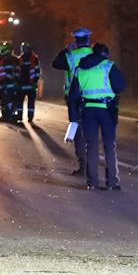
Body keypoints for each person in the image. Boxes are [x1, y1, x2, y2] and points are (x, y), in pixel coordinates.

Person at [73, 42, 127, 190]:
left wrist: (73, 116)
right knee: (109, 146)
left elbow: (73, 95)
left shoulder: (80, 68)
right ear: (104, 53)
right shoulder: (108, 65)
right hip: (107, 110)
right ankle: (111, 182)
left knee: (91, 146)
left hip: (88, 110)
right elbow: (120, 86)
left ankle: (92, 182)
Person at [53, 28, 95, 178]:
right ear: (89, 40)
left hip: (74, 98)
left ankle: (83, 165)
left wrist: (65, 50)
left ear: (76, 41)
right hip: (92, 98)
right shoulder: (95, 55)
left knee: (78, 131)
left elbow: (55, 63)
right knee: (91, 131)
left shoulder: (70, 56)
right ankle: (92, 165)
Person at [0, 43, 23, 124]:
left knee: (9, 100)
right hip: (2, 84)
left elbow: (12, 74)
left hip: (8, 85)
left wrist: (12, 84)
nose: (0, 53)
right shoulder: (2, 59)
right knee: (4, 101)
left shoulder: (11, 60)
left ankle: (9, 116)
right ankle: (6, 116)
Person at [19, 41, 41, 122]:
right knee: (28, 103)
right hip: (30, 84)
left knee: (21, 101)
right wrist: (35, 81)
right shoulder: (34, 58)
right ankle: (28, 117)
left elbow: (37, 71)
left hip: (25, 84)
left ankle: (21, 116)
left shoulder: (22, 58)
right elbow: (38, 71)